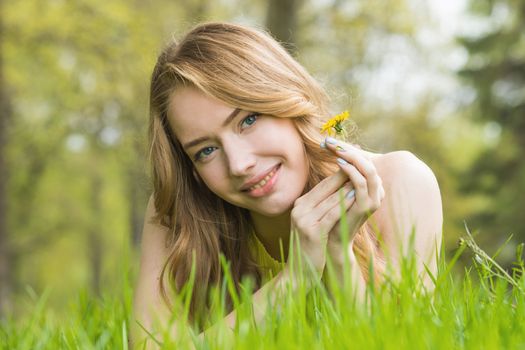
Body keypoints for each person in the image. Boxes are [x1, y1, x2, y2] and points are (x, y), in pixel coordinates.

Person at [132, 21, 442, 347]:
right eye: (206, 150)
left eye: (248, 120)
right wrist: (295, 277)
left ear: (288, 99)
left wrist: (338, 252)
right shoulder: (179, 211)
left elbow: (397, 343)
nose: (239, 164)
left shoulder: (399, 183)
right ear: (191, 169)